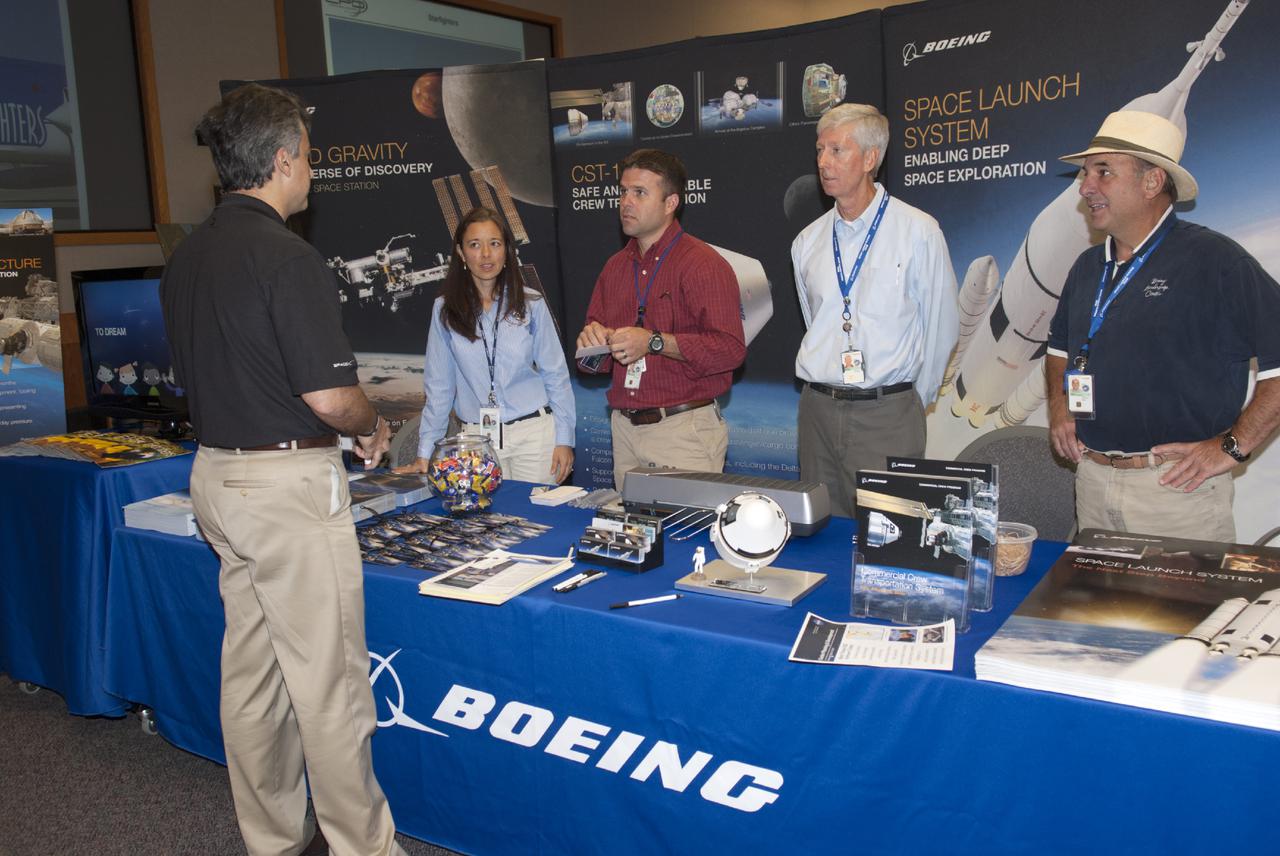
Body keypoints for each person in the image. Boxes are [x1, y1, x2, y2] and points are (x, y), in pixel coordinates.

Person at [160, 82, 406, 856]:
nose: (313, 171)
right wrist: (375, 426)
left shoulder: (188, 254)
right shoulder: (287, 257)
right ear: (282, 159)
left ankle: (271, 836)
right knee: (330, 688)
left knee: (254, 674)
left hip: (216, 481)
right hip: (286, 491)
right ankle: (364, 846)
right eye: (307, 155)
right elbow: (333, 398)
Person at [1046, 110, 1280, 542]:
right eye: (1085, 173)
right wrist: (1060, 408)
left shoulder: (1216, 262)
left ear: (1152, 182)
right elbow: (1059, 349)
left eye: (1104, 172)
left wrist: (1232, 446)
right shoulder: (1086, 267)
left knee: (1186, 613)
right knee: (1091, 610)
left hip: (1175, 492)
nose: (1085, 187)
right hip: (1093, 483)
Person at [791, 103, 959, 516]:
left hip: (888, 414)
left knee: (890, 537)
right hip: (818, 411)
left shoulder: (918, 232)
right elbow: (817, 323)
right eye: (820, 150)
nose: (824, 163)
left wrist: (905, 399)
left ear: (870, 159)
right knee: (820, 533)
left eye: (837, 151)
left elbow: (942, 326)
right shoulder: (807, 242)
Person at [575, 148, 746, 489]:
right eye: (623, 191)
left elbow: (730, 350)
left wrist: (653, 341)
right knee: (636, 540)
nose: (626, 202)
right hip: (623, 430)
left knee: (686, 538)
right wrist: (591, 346)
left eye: (639, 193)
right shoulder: (614, 268)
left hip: (682, 431)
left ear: (671, 203)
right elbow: (593, 366)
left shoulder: (703, 264)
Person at [395, 206, 575, 484]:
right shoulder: (445, 309)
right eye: (475, 245)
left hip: (535, 436)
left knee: (539, 523)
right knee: (486, 524)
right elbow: (439, 386)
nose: (486, 254)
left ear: (506, 250)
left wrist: (565, 439)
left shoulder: (532, 303)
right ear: (460, 252)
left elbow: (556, 374)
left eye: (494, 243)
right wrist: (426, 451)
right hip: (477, 441)